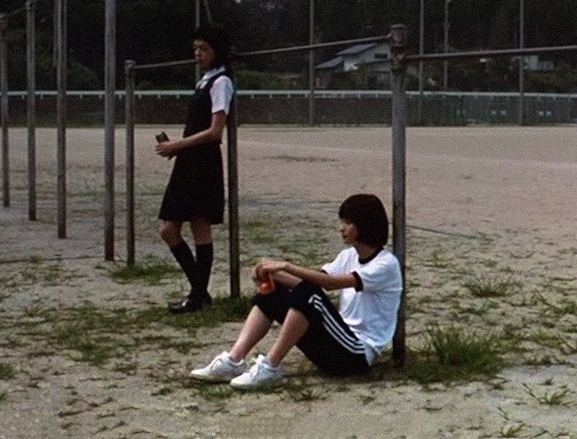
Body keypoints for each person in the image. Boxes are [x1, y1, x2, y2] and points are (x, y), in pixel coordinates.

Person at [190, 194, 403, 390]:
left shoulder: (386, 264)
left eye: (348, 223)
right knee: (276, 292)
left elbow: (328, 284)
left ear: (365, 226)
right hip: (335, 342)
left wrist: (285, 266)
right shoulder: (348, 256)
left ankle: (270, 366)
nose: (342, 228)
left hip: (356, 353)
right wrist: (271, 274)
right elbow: (308, 281)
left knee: (307, 293)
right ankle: (234, 360)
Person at [155, 26, 235, 314]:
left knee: (199, 226)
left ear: (216, 51)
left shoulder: (221, 82)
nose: (198, 54)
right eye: (195, 50)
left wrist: (179, 145)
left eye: (203, 49)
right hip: (189, 160)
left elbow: (215, 132)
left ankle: (198, 294)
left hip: (202, 161)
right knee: (169, 228)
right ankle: (199, 292)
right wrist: (178, 148)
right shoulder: (205, 80)